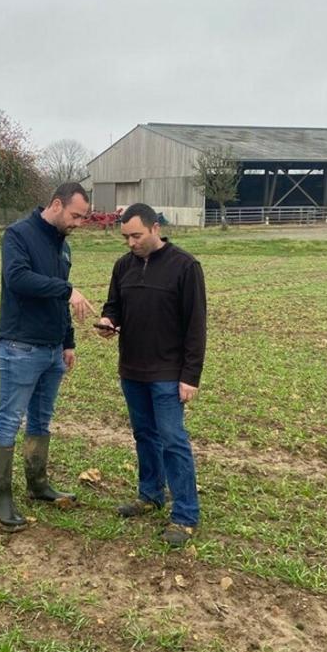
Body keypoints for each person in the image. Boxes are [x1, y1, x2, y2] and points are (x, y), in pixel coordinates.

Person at [97, 203, 206, 548]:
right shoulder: (122, 266)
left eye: (136, 235)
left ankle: (186, 514)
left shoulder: (185, 266)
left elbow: (196, 327)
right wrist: (108, 321)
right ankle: (150, 494)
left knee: (173, 440)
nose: (130, 242)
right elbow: (114, 305)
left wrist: (190, 376)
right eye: (126, 237)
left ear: (155, 228)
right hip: (132, 369)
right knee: (144, 434)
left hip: (168, 373)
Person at [0, 183, 96, 531]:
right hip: (20, 345)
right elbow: (18, 278)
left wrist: (68, 342)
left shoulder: (62, 247)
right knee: (9, 419)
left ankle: (37, 484)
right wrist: (67, 290)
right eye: (76, 215)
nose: (79, 223)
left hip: (52, 350)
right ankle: (2, 498)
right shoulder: (18, 235)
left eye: (83, 217)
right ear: (56, 205)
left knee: (41, 420)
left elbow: (58, 300)